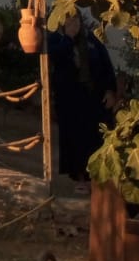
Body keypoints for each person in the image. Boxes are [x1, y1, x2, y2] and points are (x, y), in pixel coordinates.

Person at [46, 11, 119, 191]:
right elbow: (55, 57)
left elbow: (106, 65)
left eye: (76, 20)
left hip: (94, 97)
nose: (74, 24)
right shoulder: (57, 39)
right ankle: (80, 177)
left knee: (98, 137)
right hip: (70, 99)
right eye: (69, 20)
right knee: (75, 139)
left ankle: (98, 177)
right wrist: (68, 38)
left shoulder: (92, 40)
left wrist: (110, 91)